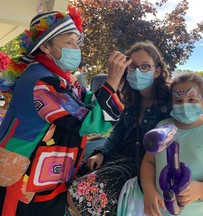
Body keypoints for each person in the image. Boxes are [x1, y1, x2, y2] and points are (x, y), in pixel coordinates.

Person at [0, 9, 126, 216]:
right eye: (69, 42)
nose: (76, 48)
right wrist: (111, 81)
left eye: (77, 42)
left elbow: (87, 100)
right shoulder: (41, 80)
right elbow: (88, 121)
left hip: (45, 176)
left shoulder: (64, 79)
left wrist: (114, 87)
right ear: (46, 46)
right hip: (25, 176)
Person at [67, 41, 171, 215]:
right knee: (73, 176)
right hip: (118, 156)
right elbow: (118, 131)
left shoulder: (170, 100)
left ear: (157, 71)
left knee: (79, 194)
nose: (137, 72)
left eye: (145, 66)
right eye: (132, 67)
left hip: (143, 165)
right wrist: (101, 152)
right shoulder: (128, 98)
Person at [140, 73, 203, 216]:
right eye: (178, 100)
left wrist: (201, 190)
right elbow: (149, 162)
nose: (184, 104)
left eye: (192, 99)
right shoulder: (162, 128)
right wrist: (149, 191)